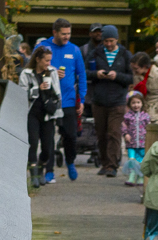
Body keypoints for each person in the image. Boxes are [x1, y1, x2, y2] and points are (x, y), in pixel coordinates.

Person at [39, 18, 87, 182]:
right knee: (48, 137)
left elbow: (82, 75)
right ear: (54, 32)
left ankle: (70, 162)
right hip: (48, 101)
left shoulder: (74, 50)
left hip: (69, 101)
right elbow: (32, 71)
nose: (67, 37)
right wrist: (50, 72)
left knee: (71, 136)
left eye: (69, 33)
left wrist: (82, 99)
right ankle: (49, 170)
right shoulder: (42, 47)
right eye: (63, 34)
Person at [87, 25, 133, 177]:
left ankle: (112, 165)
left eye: (111, 41)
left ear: (117, 40)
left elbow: (131, 77)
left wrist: (117, 76)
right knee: (101, 134)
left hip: (117, 101)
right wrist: (96, 74)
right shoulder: (95, 53)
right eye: (105, 41)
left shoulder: (125, 55)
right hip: (99, 100)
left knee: (114, 133)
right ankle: (104, 162)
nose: (108, 44)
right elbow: (85, 72)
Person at [19, 46, 63, 187]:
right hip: (32, 113)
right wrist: (38, 89)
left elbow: (58, 92)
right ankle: (34, 176)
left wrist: (58, 110)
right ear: (37, 59)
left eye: (50, 60)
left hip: (48, 114)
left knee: (47, 147)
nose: (48, 63)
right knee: (32, 143)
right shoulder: (26, 73)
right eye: (46, 60)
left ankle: (41, 168)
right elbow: (21, 93)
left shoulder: (52, 72)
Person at [81, 23, 103, 164]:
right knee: (85, 122)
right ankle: (85, 144)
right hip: (87, 93)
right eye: (95, 32)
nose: (98, 34)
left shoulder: (105, 50)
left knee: (98, 125)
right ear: (90, 33)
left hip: (101, 92)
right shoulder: (83, 50)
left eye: (100, 31)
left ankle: (97, 150)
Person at [121, 91, 150, 187]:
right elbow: (124, 126)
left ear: (142, 103)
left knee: (141, 160)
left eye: (138, 102)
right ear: (129, 104)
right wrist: (125, 134)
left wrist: (149, 137)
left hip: (142, 143)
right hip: (131, 143)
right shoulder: (127, 116)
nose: (136, 105)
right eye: (133, 103)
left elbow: (149, 127)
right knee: (131, 159)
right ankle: (132, 176)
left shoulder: (145, 116)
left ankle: (141, 177)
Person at [131, 51, 158, 125]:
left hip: (157, 113)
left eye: (136, 68)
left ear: (144, 66)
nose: (134, 71)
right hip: (140, 111)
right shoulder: (137, 75)